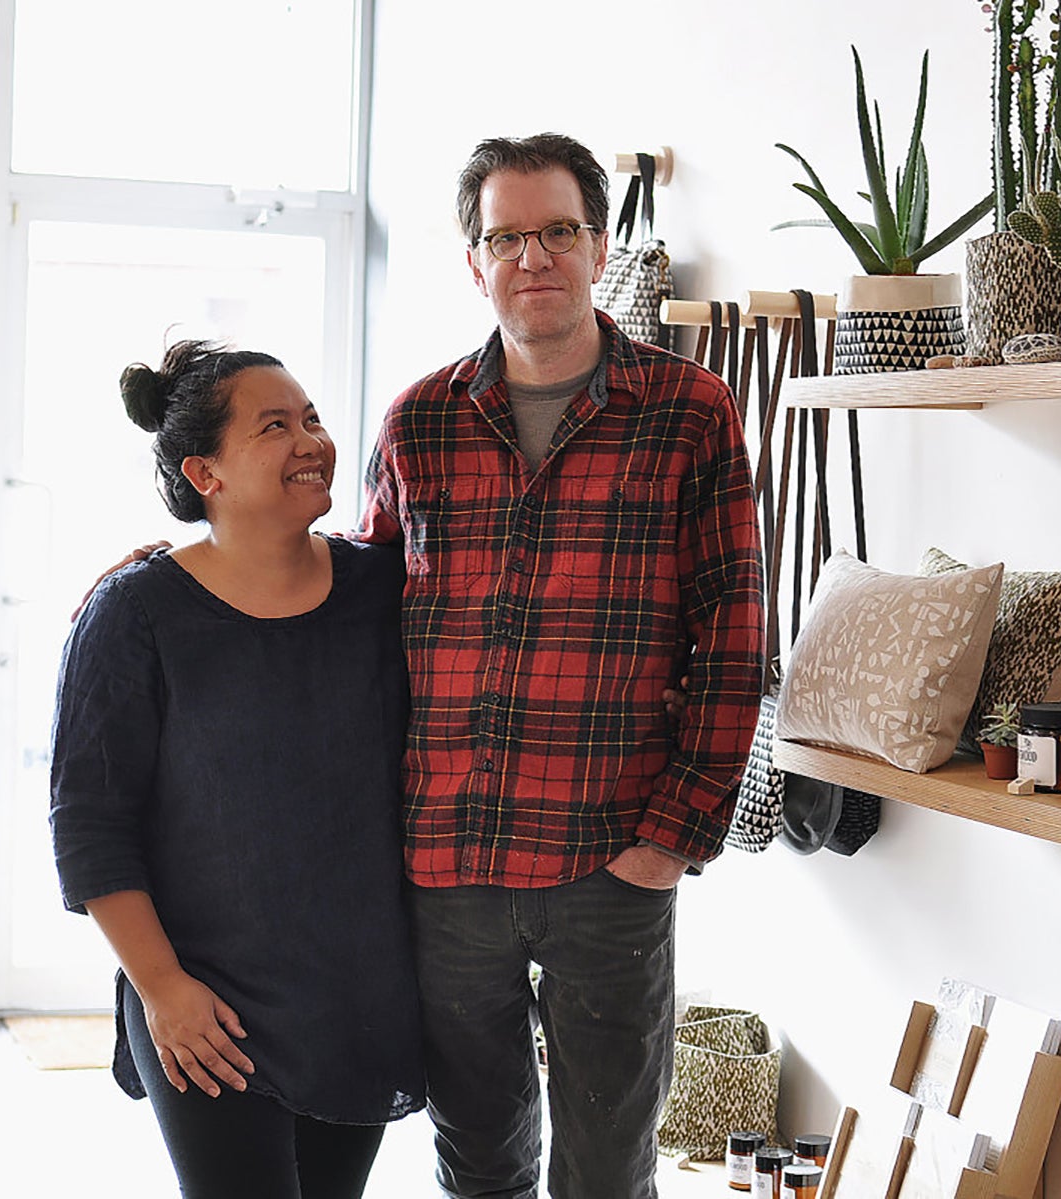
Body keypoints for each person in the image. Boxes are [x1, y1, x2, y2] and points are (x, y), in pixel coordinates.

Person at [355, 133, 763, 1198]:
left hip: (610, 860)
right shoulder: (418, 422)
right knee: (478, 1165)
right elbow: (352, 615)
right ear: (475, 258)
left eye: (558, 232)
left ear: (598, 242)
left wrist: (671, 839)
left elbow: (734, 635)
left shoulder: (690, 412)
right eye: (507, 237)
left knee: (607, 1170)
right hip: (448, 863)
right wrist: (186, 563)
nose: (533, 257)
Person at [49, 340, 426, 1199]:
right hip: (206, 1007)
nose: (312, 441)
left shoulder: (382, 590)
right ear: (205, 472)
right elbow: (89, 826)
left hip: (356, 998)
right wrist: (162, 986)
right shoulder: (136, 613)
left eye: (313, 418)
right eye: (275, 426)